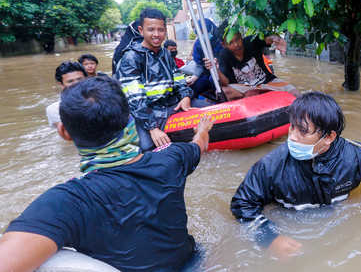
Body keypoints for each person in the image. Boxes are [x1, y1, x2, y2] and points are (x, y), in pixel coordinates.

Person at [0, 77, 214, 272]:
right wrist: (202, 129)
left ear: (64, 132)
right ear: (129, 119)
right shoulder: (172, 158)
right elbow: (199, 145)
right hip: (192, 263)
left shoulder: (66, 201)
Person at [230, 92, 361, 258]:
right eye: (292, 127)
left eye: (302, 131)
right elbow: (242, 205)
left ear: (329, 137)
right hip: (290, 225)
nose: (292, 136)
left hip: (339, 233)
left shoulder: (357, 157)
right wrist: (269, 238)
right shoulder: (269, 167)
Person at [115, 8, 209, 151]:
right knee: (146, 147)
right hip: (146, 113)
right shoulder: (130, 58)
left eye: (160, 30)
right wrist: (152, 128)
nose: (156, 34)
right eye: (151, 30)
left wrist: (185, 96)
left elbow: (178, 79)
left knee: (209, 112)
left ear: (165, 30)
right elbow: (135, 99)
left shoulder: (165, 53)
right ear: (141, 30)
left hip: (171, 105)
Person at [216, 30, 299, 96]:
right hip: (244, 88)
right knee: (225, 91)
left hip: (267, 82)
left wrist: (277, 39)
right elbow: (225, 82)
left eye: (237, 39)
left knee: (295, 93)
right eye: (230, 43)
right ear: (224, 45)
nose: (236, 45)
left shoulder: (251, 41)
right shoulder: (224, 55)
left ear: (241, 37)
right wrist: (216, 69)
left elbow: (268, 39)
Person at [46, 61, 87, 129]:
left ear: (87, 79)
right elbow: (71, 135)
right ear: (61, 85)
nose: (77, 84)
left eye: (80, 79)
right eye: (70, 81)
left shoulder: (102, 98)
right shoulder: (55, 109)